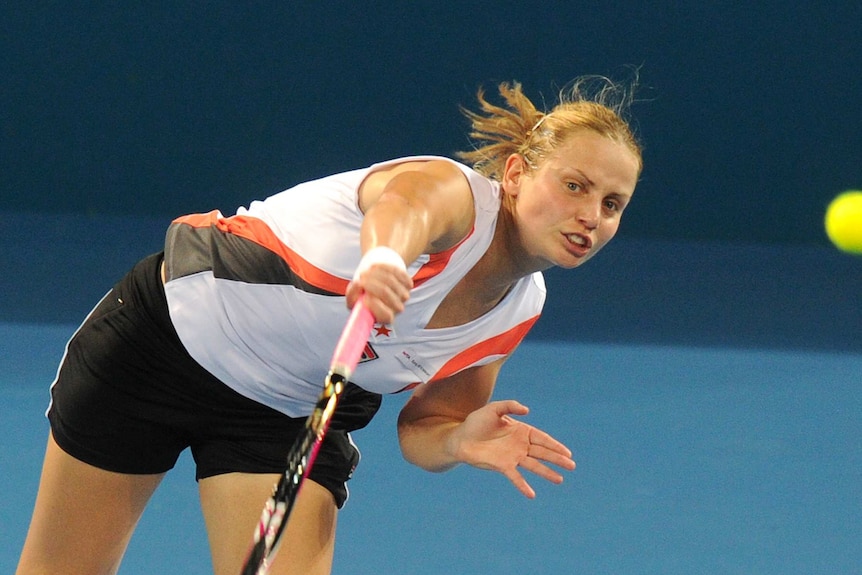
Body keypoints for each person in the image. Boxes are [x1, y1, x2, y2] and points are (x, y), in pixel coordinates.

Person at [16, 77, 642, 575]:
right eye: (575, 186)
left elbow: (428, 423)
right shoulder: (453, 195)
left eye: (611, 204)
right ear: (514, 174)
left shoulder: (518, 307)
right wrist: (383, 259)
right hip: (163, 348)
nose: (591, 215)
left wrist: (456, 441)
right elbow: (401, 208)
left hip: (289, 417)